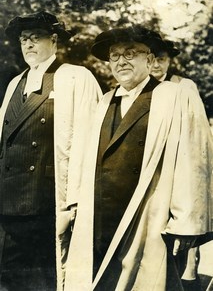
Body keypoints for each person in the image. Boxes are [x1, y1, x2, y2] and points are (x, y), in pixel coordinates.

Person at [60, 25, 213, 291]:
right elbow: (85, 158)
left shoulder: (175, 97)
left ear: (150, 59)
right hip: (101, 217)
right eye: (115, 56)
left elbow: (194, 161)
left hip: (147, 214)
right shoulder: (106, 101)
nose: (121, 61)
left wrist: (186, 221)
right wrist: (76, 204)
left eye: (130, 53)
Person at [0, 11, 102, 291]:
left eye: (36, 38)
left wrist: (75, 201)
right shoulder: (14, 84)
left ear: (54, 40)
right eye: (24, 40)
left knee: (43, 281)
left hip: (45, 204)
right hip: (8, 205)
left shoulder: (74, 78)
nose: (29, 45)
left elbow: (87, 143)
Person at [150, 38, 202, 291]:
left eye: (162, 59)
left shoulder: (183, 86)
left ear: (170, 61)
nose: (157, 64)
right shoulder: (143, 88)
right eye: (153, 58)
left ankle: (189, 271)